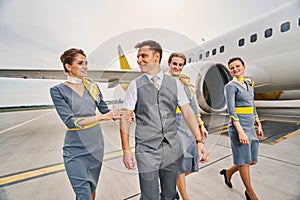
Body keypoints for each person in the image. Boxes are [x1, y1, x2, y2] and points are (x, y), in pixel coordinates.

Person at [120, 40, 206, 200]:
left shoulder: (175, 84)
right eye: (138, 57)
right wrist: (126, 150)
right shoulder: (134, 85)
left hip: (171, 148)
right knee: (150, 196)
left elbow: (187, 111)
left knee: (170, 194)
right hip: (146, 150)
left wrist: (199, 140)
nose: (139, 60)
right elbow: (125, 117)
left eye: (143, 56)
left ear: (156, 57)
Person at [50, 48, 125, 200]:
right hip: (75, 150)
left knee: (91, 189)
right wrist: (102, 118)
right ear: (68, 66)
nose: (85, 66)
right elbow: (70, 122)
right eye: (80, 63)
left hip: (96, 147)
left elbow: (105, 110)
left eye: (86, 63)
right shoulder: (57, 90)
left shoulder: (92, 87)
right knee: (83, 194)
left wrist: (125, 114)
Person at [220, 57, 263, 200]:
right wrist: (240, 131)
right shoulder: (230, 86)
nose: (235, 69)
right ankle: (250, 192)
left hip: (250, 126)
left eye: (237, 66)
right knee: (244, 162)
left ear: (243, 67)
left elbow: (252, 105)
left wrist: (258, 123)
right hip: (239, 128)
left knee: (252, 160)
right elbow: (231, 110)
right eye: (232, 68)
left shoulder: (249, 84)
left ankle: (228, 173)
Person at [168, 53, 209, 200]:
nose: (177, 67)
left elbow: (193, 106)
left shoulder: (186, 82)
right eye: (174, 64)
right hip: (173, 125)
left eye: (180, 65)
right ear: (169, 64)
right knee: (180, 162)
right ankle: (185, 197)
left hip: (188, 125)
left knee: (192, 161)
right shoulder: (163, 82)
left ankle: (170, 183)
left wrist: (201, 124)